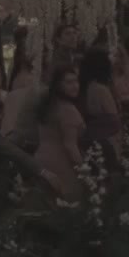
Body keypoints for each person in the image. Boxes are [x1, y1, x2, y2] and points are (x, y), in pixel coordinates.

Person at [34, 65, 86, 199]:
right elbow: (70, 146)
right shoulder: (67, 110)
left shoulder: (47, 105)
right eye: (69, 82)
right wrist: (85, 172)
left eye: (76, 81)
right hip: (61, 163)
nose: (75, 86)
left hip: (40, 161)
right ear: (58, 85)